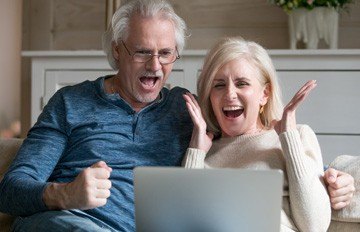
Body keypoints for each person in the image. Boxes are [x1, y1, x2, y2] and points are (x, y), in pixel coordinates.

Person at [0, 0, 354, 231]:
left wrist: (334, 182)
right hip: (67, 220)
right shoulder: (70, 102)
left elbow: (252, 147)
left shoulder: (187, 111)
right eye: (142, 52)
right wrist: (65, 195)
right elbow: (11, 191)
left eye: (166, 54)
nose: (155, 66)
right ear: (117, 51)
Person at [182, 36, 340, 231]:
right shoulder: (202, 152)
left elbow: (315, 226)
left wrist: (289, 140)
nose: (230, 94)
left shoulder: (296, 136)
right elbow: (183, 223)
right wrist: (196, 151)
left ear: (264, 94)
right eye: (219, 85)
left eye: (241, 83)